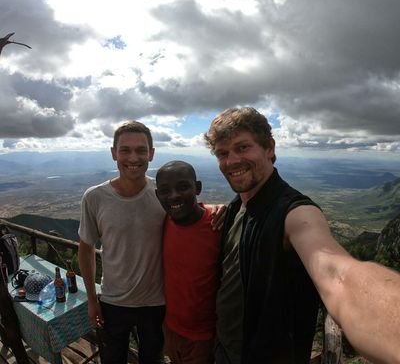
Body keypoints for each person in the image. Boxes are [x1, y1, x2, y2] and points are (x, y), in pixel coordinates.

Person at [204, 107, 400, 364]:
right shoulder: (237, 207)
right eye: (222, 153)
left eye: (242, 148)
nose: (231, 161)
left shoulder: (294, 212)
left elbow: (336, 274)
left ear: (269, 148)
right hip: (225, 349)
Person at [78, 120, 165, 364]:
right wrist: (92, 300)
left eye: (141, 150)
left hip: (156, 304)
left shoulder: (164, 193)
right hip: (113, 302)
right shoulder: (94, 197)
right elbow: (85, 250)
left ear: (152, 154)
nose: (133, 157)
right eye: (125, 150)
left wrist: (219, 210)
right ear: (114, 153)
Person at [155, 161, 221, 364]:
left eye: (183, 187)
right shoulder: (163, 221)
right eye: (165, 191)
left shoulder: (218, 225)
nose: (174, 195)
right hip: (170, 328)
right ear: (158, 195)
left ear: (198, 188)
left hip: (204, 336)